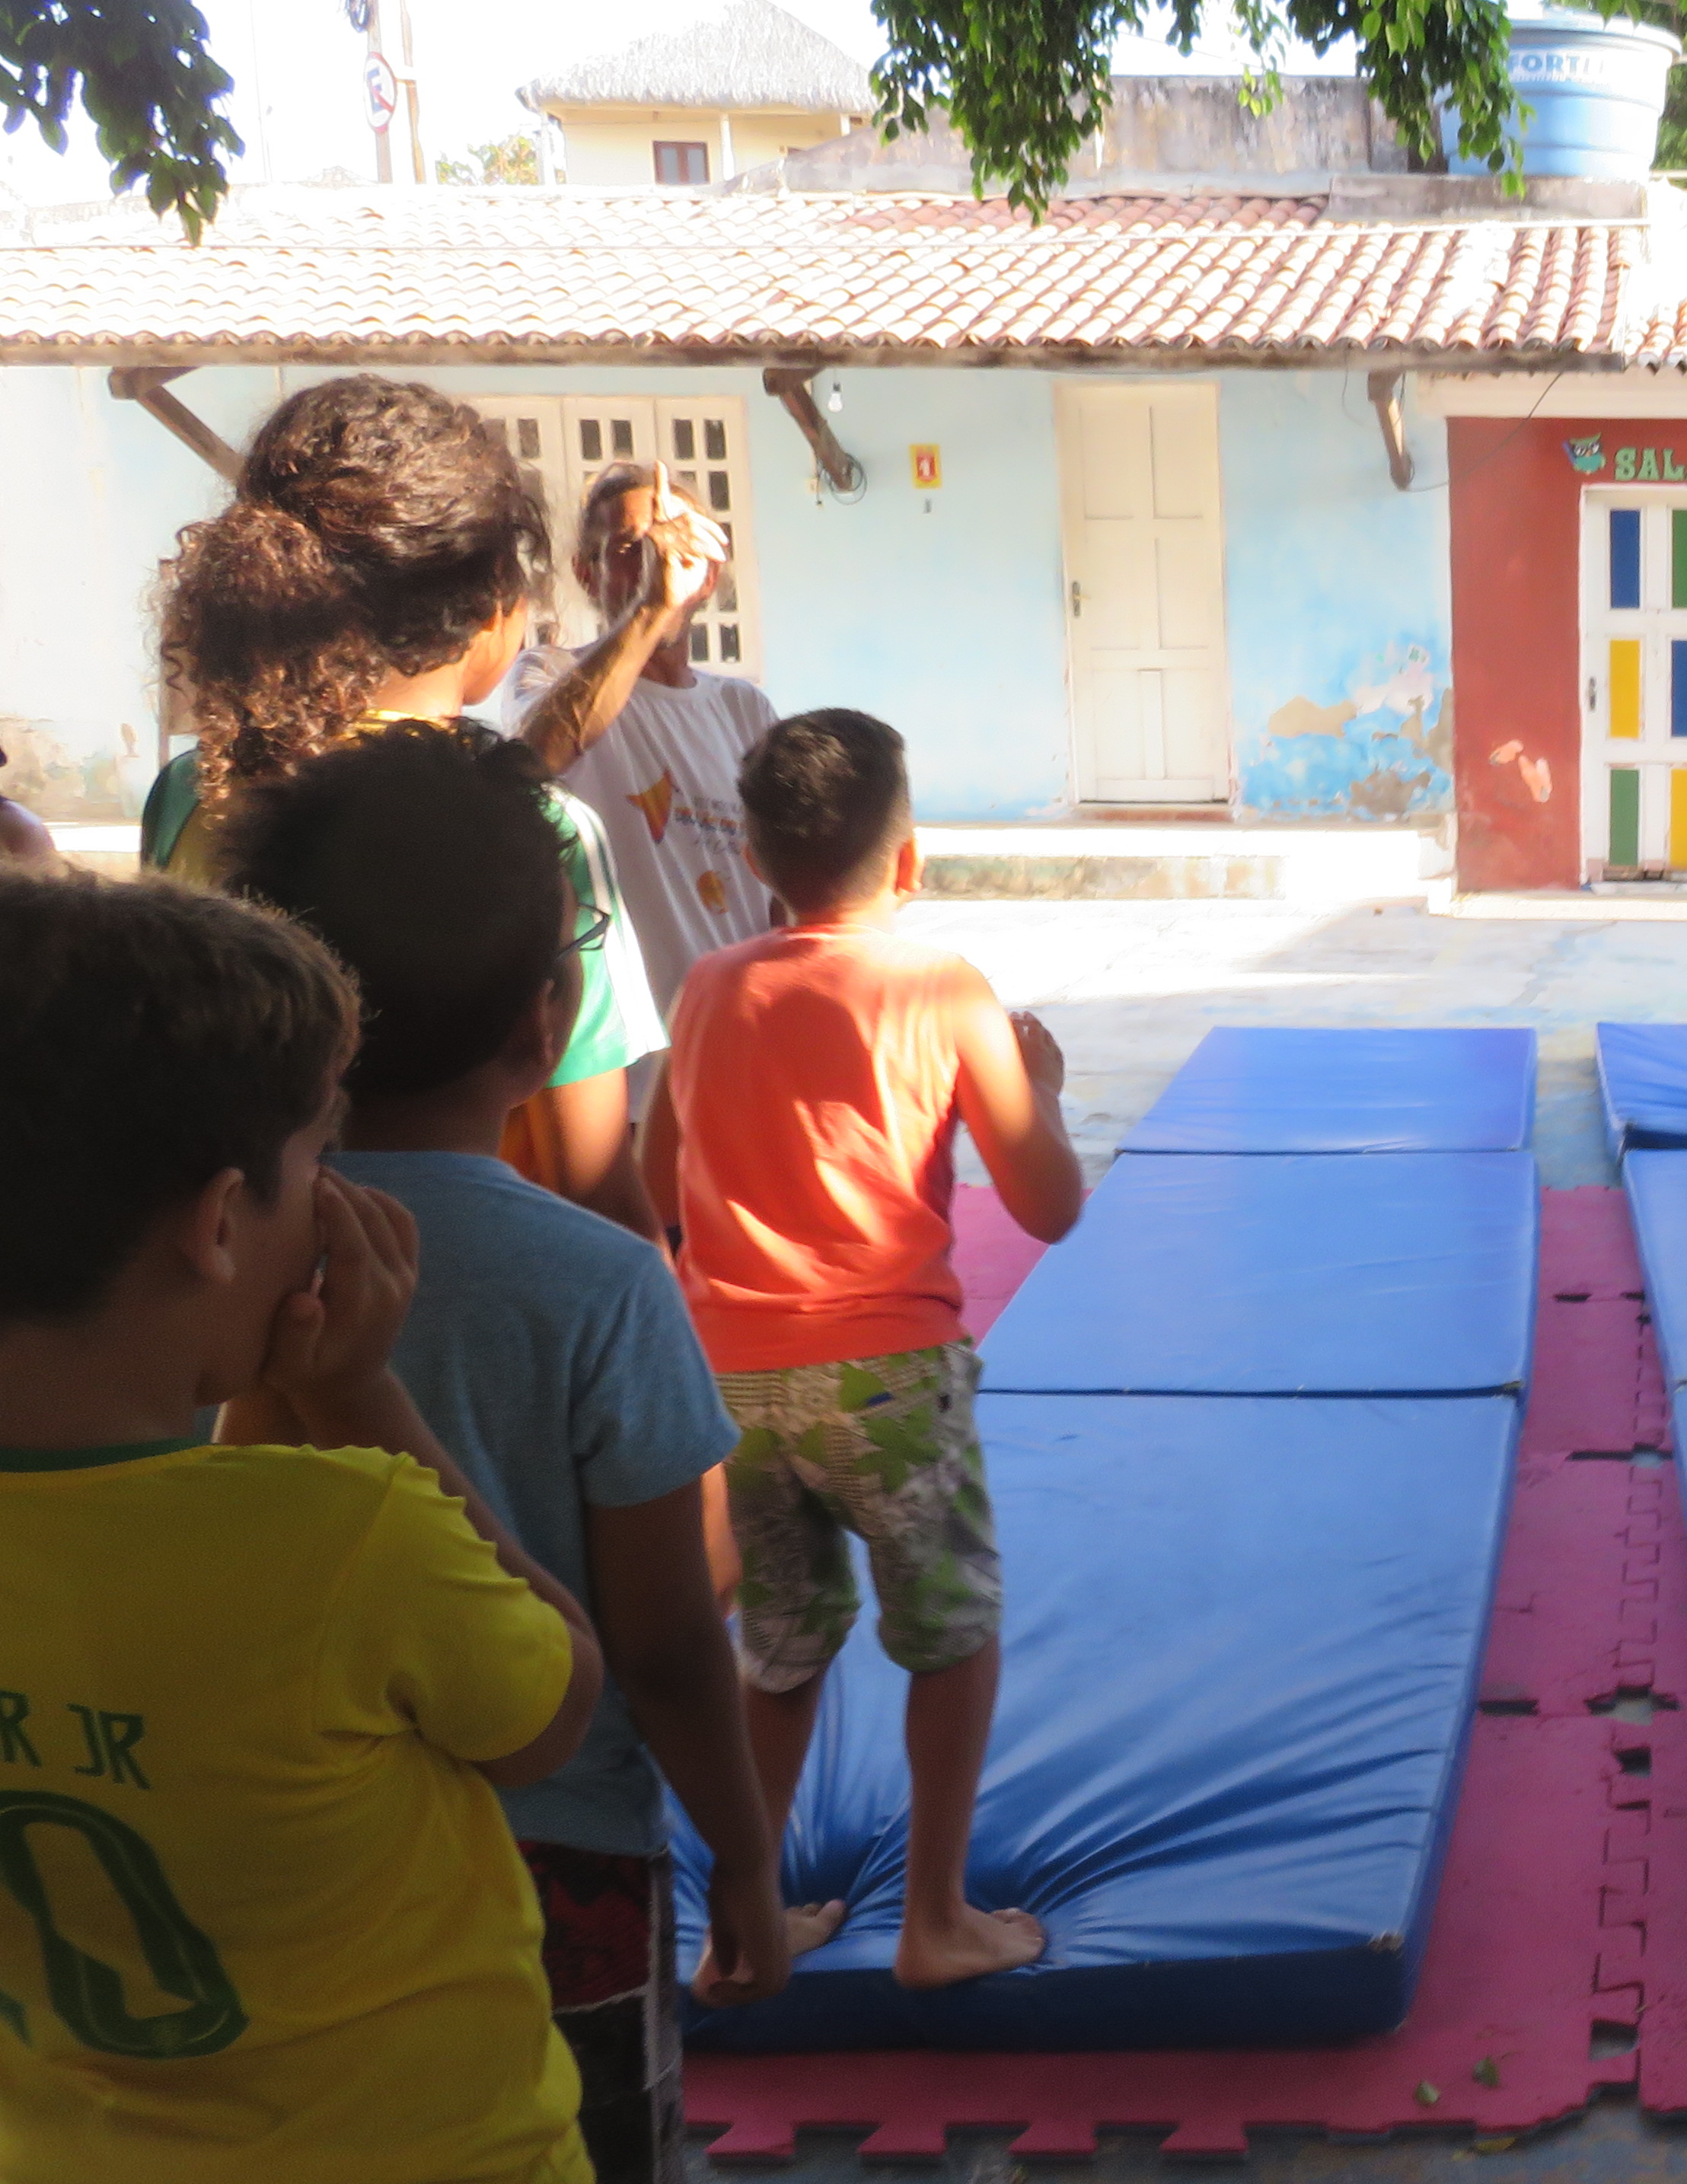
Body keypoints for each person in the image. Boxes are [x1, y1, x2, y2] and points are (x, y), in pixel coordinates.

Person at [0, 868, 643, 2184]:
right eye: (316, 1160)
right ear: (222, 1222)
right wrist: (363, 1396)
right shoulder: (349, 1535)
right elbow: (553, 1707)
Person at [223, 723, 815, 2184]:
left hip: (311, 1822)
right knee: (598, 2117)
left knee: (372, 2110)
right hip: (568, 1834)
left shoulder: (218, 1255)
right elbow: (672, 1640)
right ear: (550, 1022)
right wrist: (746, 1861)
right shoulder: (600, 1283)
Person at [646, 709, 1087, 1991]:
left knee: (780, 1644)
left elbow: (654, 1186)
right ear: (910, 859)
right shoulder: (944, 988)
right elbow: (1050, 1205)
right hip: (888, 1381)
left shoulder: (706, 987)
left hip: (733, 1387)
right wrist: (1042, 1088)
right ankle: (934, 1919)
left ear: (756, 861)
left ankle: (743, 1931)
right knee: (950, 1630)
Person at [144, 374, 718, 1241]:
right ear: (492, 607)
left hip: (232, 1272)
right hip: (470, 1289)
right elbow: (593, 1181)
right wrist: (649, 1292)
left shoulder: (193, 790)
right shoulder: (537, 834)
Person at [515, 461, 778, 1024]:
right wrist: (653, 607)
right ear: (587, 573)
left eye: (677, 545)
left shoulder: (745, 709)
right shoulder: (550, 674)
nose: (658, 563)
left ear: (708, 575)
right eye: (631, 549)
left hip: (736, 1038)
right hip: (628, 1054)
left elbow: (782, 886)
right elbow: (530, 759)